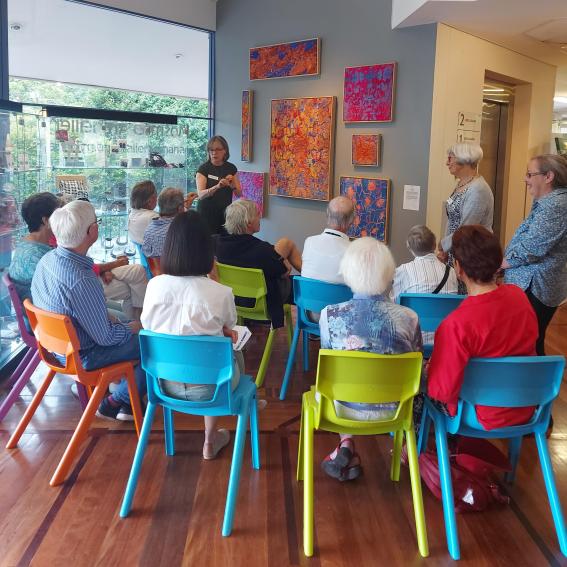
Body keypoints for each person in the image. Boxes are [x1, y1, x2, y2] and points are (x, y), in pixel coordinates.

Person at [31, 200, 146, 421]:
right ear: (92, 231)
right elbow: (106, 337)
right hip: (82, 357)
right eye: (97, 222)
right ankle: (116, 401)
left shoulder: (47, 259)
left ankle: (123, 392)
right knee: (152, 343)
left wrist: (113, 321)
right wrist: (133, 327)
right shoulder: (82, 279)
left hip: (54, 348)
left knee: (122, 320)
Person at [319, 237, 422, 481]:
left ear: (347, 272)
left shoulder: (329, 315)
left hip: (340, 410)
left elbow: (328, 363)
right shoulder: (409, 317)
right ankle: (403, 451)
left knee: (336, 383)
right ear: (389, 274)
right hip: (396, 409)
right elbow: (417, 368)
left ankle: (345, 444)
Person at [141, 210, 242, 459]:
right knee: (231, 350)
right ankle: (210, 438)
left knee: (211, 353)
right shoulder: (220, 293)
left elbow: (147, 325)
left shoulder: (154, 286)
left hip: (162, 383)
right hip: (214, 390)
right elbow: (231, 325)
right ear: (208, 251)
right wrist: (215, 279)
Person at [426, 225, 538, 431]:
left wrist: (429, 370)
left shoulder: (456, 324)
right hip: (527, 404)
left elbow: (441, 391)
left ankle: (417, 451)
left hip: (479, 414)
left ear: (458, 268)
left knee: (422, 388)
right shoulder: (520, 298)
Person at [10, 192, 148, 321]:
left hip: (53, 318)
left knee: (132, 282)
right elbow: (74, 288)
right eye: (59, 213)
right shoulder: (40, 258)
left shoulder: (29, 247)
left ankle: (134, 324)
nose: (63, 217)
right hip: (55, 322)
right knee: (129, 289)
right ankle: (136, 327)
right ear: (46, 221)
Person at [502, 154, 567, 355]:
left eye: (530, 174)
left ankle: (533, 385)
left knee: (527, 343)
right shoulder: (547, 201)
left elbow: (533, 247)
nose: (526, 179)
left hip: (536, 286)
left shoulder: (556, 205)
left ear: (548, 176)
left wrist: (503, 262)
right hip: (532, 284)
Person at [215, 199, 302, 328]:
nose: (260, 216)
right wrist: (282, 261)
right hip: (260, 304)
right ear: (248, 223)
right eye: (257, 214)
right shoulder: (262, 251)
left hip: (233, 301)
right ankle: (314, 325)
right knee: (301, 284)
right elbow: (283, 273)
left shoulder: (216, 243)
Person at [438, 143, 494, 285]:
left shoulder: (477, 189)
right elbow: (451, 219)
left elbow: (467, 228)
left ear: (464, 160)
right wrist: (445, 248)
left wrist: (443, 245)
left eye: (450, 158)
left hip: (471, 254)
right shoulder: (462, 184)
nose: (447, 163)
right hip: (456, 249)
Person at [391, 225, 458, 302]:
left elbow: (395, 302)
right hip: (447, 314)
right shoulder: (451, 271)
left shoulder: (402, 271)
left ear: (410, 248)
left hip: (415, 314)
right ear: (434, 245)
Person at [301, 195, 354, 284]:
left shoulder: (309, 242)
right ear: (351, 220)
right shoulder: (354, 251)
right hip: (341, 298)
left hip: (308, 297)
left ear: (327, 215)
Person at [196, 135, 242, 235]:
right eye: (211, 150)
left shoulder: (231, 168)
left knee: (224, 244)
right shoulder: (203, 169)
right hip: (206, 215)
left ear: (225, 150)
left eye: (218, 149)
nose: (214, 153)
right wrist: (217, 186)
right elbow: (200, 195)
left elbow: (239, 193)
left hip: (226, 214)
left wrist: (232, 184)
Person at [142, 187, 196, 258]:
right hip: (180, 268)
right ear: (180, 208)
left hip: (155, 268)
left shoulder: (148, 230)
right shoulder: (184, 231)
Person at [128, 180, 158, 245]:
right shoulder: (152, 217)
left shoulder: (132, 214)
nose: (157, 199)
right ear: (150, 201)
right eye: (156, 196)